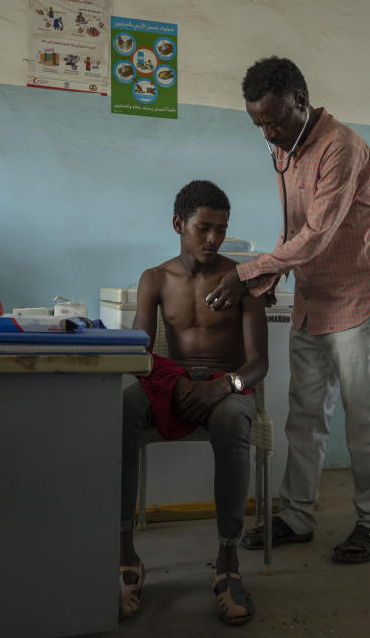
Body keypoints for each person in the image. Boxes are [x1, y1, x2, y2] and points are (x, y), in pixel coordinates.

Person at [206, 56, 370, 564]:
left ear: (300, 102)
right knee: (305, 417)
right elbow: (293, 231)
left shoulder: (342, 148)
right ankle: (295, 516)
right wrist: (270, 275)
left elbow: (318, 234)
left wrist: (247, 272)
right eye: (258, 125)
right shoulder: (283, 149)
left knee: (364, 418)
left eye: (274, 120)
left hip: (357, 301)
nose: (267, 133)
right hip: (313, 302)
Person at [119, 180, 268, 626]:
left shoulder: (244, 281)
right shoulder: (156, 279)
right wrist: (176, 383)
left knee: (229, 423)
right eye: (204, 228)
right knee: (121, 411)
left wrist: (223, 386)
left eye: (221, 230)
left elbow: (260, 364)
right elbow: (139, 352)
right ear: (178, 224)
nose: (213, 239)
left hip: (231, 384)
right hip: (172, 380)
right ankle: (126, 556)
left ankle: (227, 564)